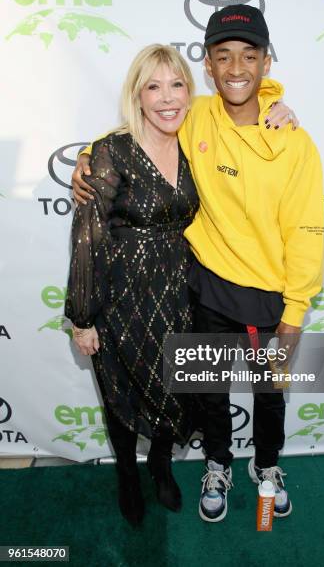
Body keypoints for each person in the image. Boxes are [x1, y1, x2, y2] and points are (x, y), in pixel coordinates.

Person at [71, 9, 311, 524]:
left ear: (267, 61)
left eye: (250, 55)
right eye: (223, 56)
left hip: (252, 293)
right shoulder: (195, 116)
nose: (237, 67)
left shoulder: (290, 139)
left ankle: (267, 465)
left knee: (267, 391)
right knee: (204, 392)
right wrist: (87, 157)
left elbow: (306, 230)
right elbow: (136, 132)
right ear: (209, 66)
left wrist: (296, 308)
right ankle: (213, 464)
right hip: (193, 288)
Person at [65, 44, 200, 525]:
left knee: (174, 388)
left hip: (180, 296)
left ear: (190, 91)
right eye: (154, 86)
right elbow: (87, 235)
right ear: (137, 95)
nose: (167, 98)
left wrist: (280, 107)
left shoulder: (198, 141)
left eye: (177, 84)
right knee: (121, 396)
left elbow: (248, 109)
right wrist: (81, 316)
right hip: (120, 298)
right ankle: (127, 473)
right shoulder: (112, 150)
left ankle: (161, 468)